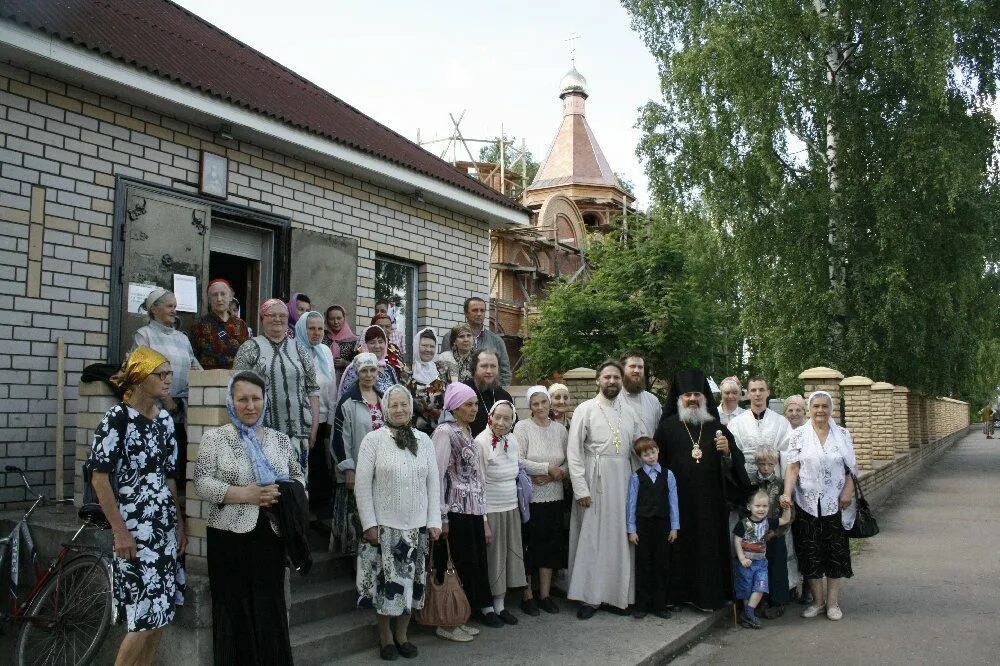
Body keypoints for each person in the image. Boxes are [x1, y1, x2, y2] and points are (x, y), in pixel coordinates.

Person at [193, 370, 304, 664]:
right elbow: (201, 482)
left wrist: (280, 493)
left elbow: (298, 477)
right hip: (228, 538)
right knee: (233, 612)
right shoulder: (215, 439)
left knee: (270, 610)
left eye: (256, 398)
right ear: (231, 401)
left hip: (270, 536)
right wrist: (247, 495)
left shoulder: (280, 441)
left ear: (265, 400)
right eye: (242, 399)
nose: (250, 405)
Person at [88, 347, 186, 665]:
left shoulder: (167, 422)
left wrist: (180, 525)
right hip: (133, 530)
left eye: (170, 374)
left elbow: (170, 478)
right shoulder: (118, 418)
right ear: (141, 377)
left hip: (164, 530)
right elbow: (99, 478)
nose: (168, 380)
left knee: (161, 617)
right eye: (162, 374)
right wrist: (120, 531)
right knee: (143, 619)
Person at [654, 369, 753, 612]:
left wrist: (727, 451)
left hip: (710, 503)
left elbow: (735, 465)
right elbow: (656, 465)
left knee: (708, 550)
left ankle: (707, 598)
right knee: (678, 550)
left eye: (697, 394)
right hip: (677, 503)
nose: (692, 399)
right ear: (679, 397)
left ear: (704, 397)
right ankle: (678, 596)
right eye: (687, 394)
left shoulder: (717, 428)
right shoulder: (667, 428)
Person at [355, 385, 441, 661]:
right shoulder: (373, 440)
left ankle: (403, 634)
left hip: (416, 527)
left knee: (412, 585)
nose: (400, 409)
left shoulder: (423, 440)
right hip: (384, 527)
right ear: (385, 408)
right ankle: (385, 637)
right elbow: (362, 485)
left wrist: (434, 520)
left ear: (411, 407)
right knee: (386, 587)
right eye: (394, 405)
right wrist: (369, 523)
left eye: (404, 404)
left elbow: (433, 483)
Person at [566, 360, 642, 619]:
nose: (612, 382)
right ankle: (590, 596)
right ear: (598, 380)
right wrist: (580, 488)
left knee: (620, 537)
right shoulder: (585, 409)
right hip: (594, 479)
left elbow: (638, 447)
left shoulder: (630, 411)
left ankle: (616, 595)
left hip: (623, 478)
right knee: (593, 538)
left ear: (622, 381)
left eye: (616, 378)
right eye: (607, 377)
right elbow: (574, 451)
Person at [780, 391, 857, 621]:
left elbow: (851, 468)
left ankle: (833, 604)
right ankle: (818, 602)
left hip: (836, 504)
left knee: (834, 552)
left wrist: (847, 492)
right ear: (809, 409)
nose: (820, 411)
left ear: (830, 410)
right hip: (808, 504)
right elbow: (792, 468)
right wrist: (786, 494)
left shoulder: (842, 434)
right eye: (816, 407)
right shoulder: (799, 436)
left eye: (825, 406)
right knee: (810, 552)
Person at [432, 382, 500, 640]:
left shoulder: (468, 431)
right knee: (454, 565)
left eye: (474, 404)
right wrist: (442, 516)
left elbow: (476, 477)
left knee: (470, 565)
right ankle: (446, 622)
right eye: (468, 405)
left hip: (472, 510)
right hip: (454, 510)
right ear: (455, 406)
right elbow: (437, 475)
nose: (474, 409)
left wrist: (482, 517)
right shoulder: (444, 432)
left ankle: (460, 616)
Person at [232, 298, 320, 475]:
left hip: (298, 432)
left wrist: (314, 427)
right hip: (262, 432)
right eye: (272, 315)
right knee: (268, 485)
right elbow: (236, 389)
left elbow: (312, 389)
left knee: (296, 485)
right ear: (262, 318)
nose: (277, 319)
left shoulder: (300, 349)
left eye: (282, 315)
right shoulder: (249, 348)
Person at [133, 287, 202, 486]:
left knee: (179, 458)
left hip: (182, 409)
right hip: (156, 408)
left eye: (175, 306)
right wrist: (166, 399)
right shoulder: (144, 335)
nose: (174, 311)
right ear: (154, 310)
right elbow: (144, 371)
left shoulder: (182, 338)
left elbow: (195, 367)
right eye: (170, 306)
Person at [514, 386, 568, 615]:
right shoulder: (522, 427)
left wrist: (559, 473)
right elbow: (518, 460)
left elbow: (569, 460)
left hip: (555, 495)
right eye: (535, 404)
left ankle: (545, 595)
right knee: (530, 544)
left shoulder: (560, 430)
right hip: (531, 497)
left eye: (543, 402)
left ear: (549, 403)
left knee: (550, 544)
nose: (540, 407)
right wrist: (546, 468)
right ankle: (527, 595)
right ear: (530, 407)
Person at [472, 401, 527, 625]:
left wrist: (548, 469)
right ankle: (487, 608)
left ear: (513, 420)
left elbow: (520, 464)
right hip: (491, 510)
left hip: (511, 507)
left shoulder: (512, 440)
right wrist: (483, 520)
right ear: (490, 417)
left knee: (506, 557)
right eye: (498, 417)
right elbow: (478, 484)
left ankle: (500, 605)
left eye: (507, 419)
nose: (502, 423)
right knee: (493, 559)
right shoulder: (481, 442)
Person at [331, 353, 383, 557]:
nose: (369, 375)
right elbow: (339, 438)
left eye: (373, 370)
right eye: (364, 371)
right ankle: (356, 565)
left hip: (380, 471)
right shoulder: (348, 401)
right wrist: (348, 468)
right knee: (358, 521)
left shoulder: (383, 399)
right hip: (358, 470)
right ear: (357, 373)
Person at [626, 437, 679, 620]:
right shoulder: (636, 476)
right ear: (640, 457)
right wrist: (631, 529)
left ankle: (660, 604)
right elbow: (631, 504)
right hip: (643, 526)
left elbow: (673, 503)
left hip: (663, 525)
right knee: (644, 564)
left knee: (662, 565)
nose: (651, 456)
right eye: (646, 454)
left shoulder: (668, 475)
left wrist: (674, 527)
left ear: (658, 451)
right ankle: (642, 605)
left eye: (653, 452)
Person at [733, 489, 792, 629]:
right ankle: (748, 615)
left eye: (765, 506)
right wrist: (741, 558)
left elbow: (785, 519)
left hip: (761, 563)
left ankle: (749, 612)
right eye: (758, 506)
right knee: (747, 589)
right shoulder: (742, 524)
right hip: (746, 563)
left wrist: (787, 507)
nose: (761, 509)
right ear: (749, 507)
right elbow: (736, 541)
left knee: (760, 587)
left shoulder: (768, 522)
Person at [749, 445, 795, 618]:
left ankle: (779, 600)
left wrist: (777, 532)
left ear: (775, 463)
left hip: (775, 534)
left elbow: (790, 513)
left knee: (777, 568)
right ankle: (761, 600)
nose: (766, 468)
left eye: (769, 464)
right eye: (761, 464)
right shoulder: (751, 483)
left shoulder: (782, 484)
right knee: (758, 568)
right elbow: (744, 508)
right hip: (755, 536)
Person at [296, 310, 337, 506]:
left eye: (320, 328)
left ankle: (317, 507)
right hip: (299, 418)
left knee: (319, 464)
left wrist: (330, 417)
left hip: (321, 418)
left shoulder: (325, 351)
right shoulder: (293, 350)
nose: (316, 332)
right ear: (302, 329)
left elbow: (332, 386)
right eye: (311, 328)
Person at [727, 377, 792, 477]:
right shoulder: (736, 423)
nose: (758, 394)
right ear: (748, 393)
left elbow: (787, 454)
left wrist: (784, 483)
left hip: (773, 479)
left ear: (768, 392)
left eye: (761, 390)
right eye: (753, 390)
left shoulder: (781, 422)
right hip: (746, 477)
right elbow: (731, 453)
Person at [445, 297, 512, 386]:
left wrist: (498, 393)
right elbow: (445, 369)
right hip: (460, 395)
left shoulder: (497, 341)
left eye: (482, 310)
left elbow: (505, 372)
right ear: (466, 313)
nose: (479, 314)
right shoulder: (450, 337)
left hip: (488, 394)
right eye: (475, 310)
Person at [191, 278, 250, 370]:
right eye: (214, 295)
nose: (219, 299)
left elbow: (247, 355)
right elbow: (192, 357)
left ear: (230, 297)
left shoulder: (240, 324)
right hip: (207, 378)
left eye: (223, 294)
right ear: (209, 300)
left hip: (235, 378)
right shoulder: (199, 325)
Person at [337, 325, 401, 402]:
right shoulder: (356, 368)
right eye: (372, 342)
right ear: (364, 344)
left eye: (381, 342)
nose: (377, 346)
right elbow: (347, 399)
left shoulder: (389, 369)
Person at [408, 327, 452, 435]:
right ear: (417, 346)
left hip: (439, 430)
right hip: (414, 430)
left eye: (432, 346)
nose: (428, 349)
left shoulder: (441, 370)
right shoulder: (408, 370)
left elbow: (449, 397)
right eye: (424, 345)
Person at [464, 349, 513, 437]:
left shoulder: (505, 396)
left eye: (493, 366)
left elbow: (512, 427)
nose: (489, 371)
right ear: (474, 368)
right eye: (484, 366)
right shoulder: (463, 391)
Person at [621, 352, 662, 438]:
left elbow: (661, 432)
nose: (637, 370)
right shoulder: (614, 399)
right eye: (632, 366)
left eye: (640, 367)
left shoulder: (653, 400)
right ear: (622, 369)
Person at [323, 304, 358, 386]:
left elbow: (359, 365)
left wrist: (345, 363)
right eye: (332, 319)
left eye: (339, 318)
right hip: (324, 382)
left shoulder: (354, 341)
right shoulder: (322, 336)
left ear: (344, 318)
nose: (336, 322)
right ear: (327, 320)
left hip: (345, 382)